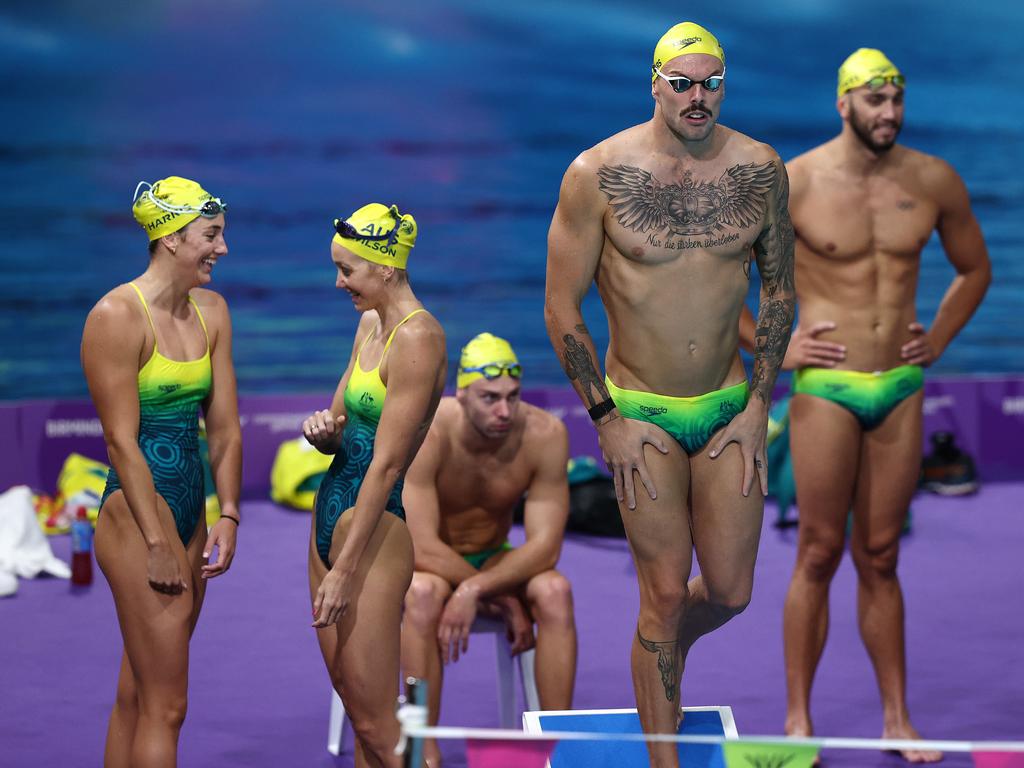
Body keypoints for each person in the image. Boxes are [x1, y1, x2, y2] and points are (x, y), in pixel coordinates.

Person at [543, 22, 795, 768]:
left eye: (711, 83)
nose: (697, 97)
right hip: (640, 413)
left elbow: (780, 294)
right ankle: (665, 755)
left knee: (729, 591)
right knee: (658, 599)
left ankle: (660, 658)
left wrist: (758, 404)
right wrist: (606, 419)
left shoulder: (761, 169)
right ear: (654, 83)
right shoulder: (596, 172)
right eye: (682, 82)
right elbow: (562, 308)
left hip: (726, 409)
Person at [740, 48, 990, 762]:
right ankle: (797, 721)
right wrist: (775, 350)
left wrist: (937, 338)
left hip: (900, 388)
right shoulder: (795, 182)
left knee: (881, 556)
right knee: (817, 552)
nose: (888, 113)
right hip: (828, 388)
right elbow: (720, 278)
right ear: (842, 104)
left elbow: (975, 268)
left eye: (895, 101)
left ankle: (897, 719)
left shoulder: (932, 179)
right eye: (873, 101)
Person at [81, 176, 242, 767]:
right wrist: (156, 541)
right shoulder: (117, 315)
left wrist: (228, 512)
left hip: (190, 513)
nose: (221, 249)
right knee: (168, 705)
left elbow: (224, 429)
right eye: (211, 236)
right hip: (135, 516)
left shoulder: (212, 311)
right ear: (172, 239)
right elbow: (121, 441)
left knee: (141, 690)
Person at [302, 203, 446, 768]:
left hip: (374, 528)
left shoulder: (419, 337)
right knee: (358, 706)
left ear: (386, 268)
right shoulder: (369, 325)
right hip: (330, 510)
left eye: (348, 270)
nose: (339, 282)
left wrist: (344, 570)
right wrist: (322, 434)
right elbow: (341, 428)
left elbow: (386, 467)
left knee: (380, 725)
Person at [401, 333, 577, 767]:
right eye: (489, 398)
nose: (504, 411)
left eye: (512, 397)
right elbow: (421, 546)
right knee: (421, 593)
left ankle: (557, 749)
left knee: (555, 592)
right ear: (461, 395)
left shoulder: (545, 434)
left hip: (492, 558)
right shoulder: (428, 432)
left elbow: (545, 548)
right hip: (432, 562)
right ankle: (423, 749)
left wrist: (477, 589)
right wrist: (498, 597)